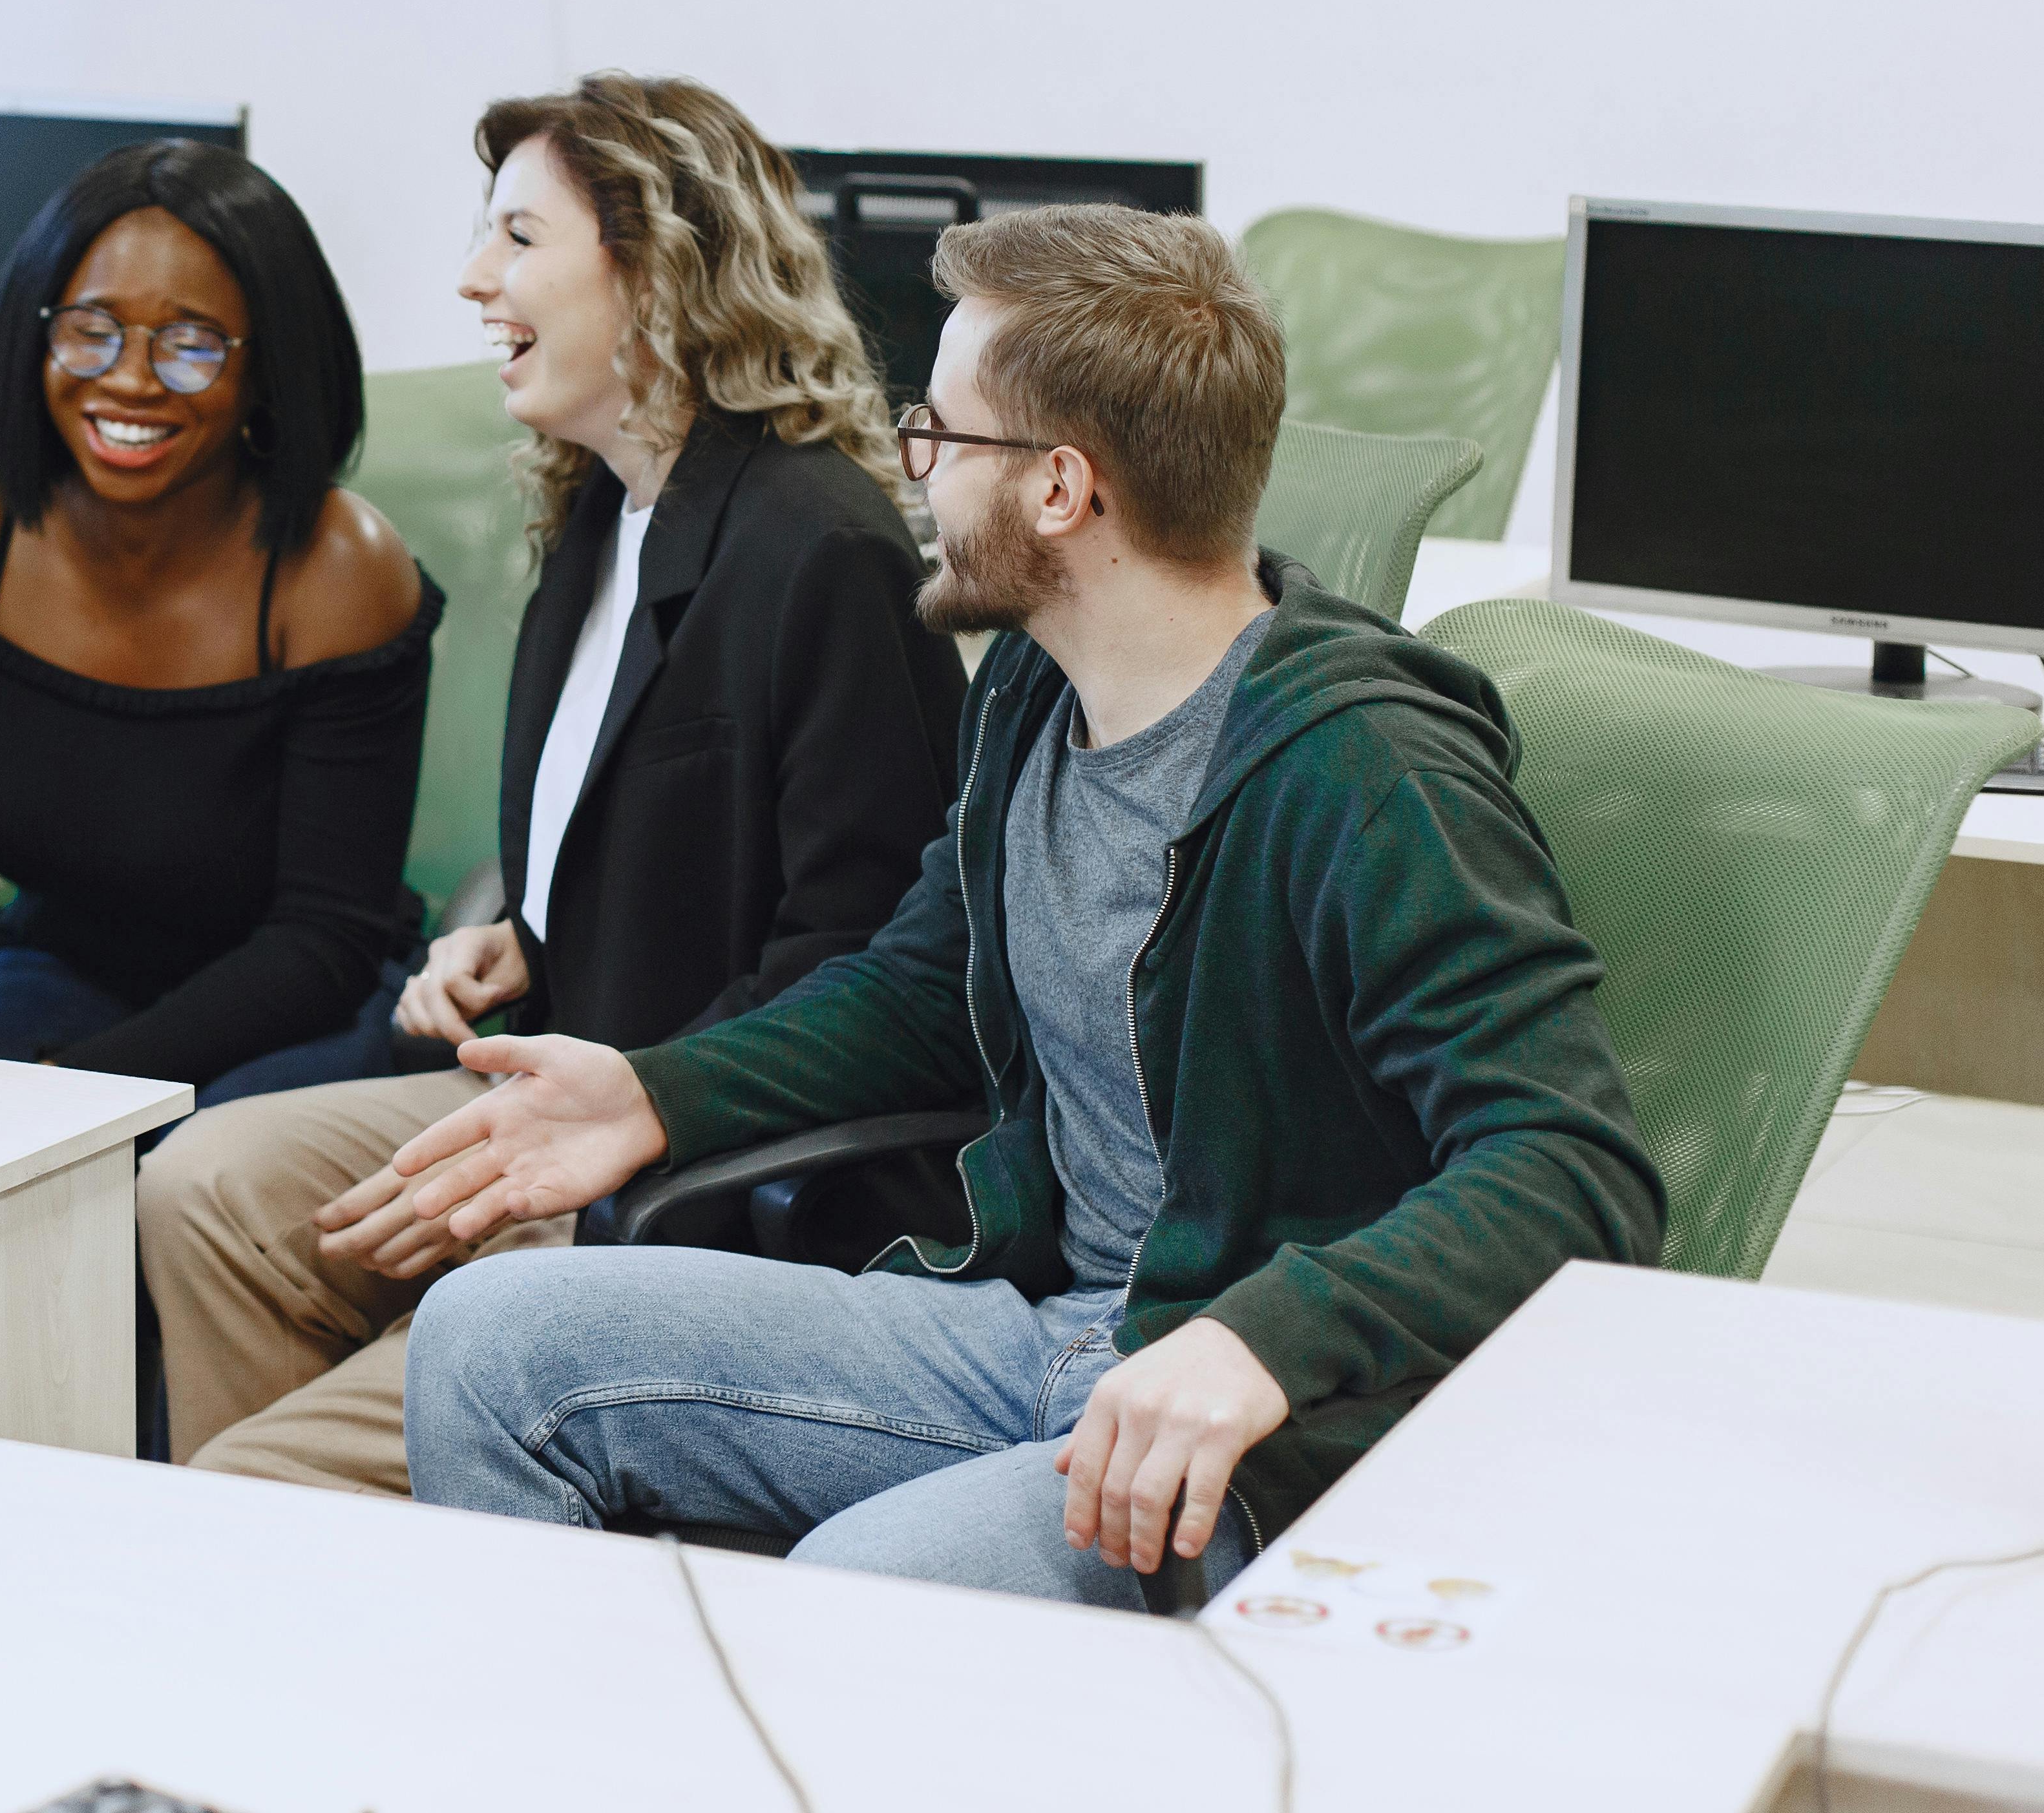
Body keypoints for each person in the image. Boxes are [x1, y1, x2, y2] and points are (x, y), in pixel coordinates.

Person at [395, 204, 1663, 1604]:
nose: (905, 468)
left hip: (1258, 1423)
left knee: (862, 1588)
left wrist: (1263, 1343)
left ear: (1061, 489)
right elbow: (925, 991)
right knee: (487, 1345)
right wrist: (659, 1094)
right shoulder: (1034, 692)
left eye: (934, 435)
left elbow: (1573, 1170)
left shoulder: (1366, 771)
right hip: (1045, 1338)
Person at [138, 74, 971, 1494]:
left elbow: (868, 966)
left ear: (656, 270)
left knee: (248, 1484)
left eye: (519, 238)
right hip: (570, 1077)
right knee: (204, 1184)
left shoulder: (820, 553)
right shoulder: (599, 514)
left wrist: (631, 1100)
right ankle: (369, 1542)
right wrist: (525, 937)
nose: (476, 279)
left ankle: (304, 1505)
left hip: (699, 1152)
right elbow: (670, 853)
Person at [0, 140, 437, 1096]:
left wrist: (77, 1095)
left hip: (287, 1007)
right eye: (91, 330)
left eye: (190, 345)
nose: (132, 381)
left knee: (144, 1204)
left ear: (267, 366)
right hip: (58, 972)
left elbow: (323, 941)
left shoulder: (337, 568)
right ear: (39, 333)